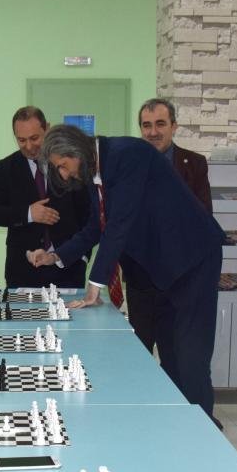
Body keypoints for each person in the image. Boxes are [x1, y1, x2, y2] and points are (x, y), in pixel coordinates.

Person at [29, 124, 224, 422]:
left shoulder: (128, 154)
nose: (65, 175)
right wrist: (56, 255)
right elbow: (96, 227)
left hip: (193, 259)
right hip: (163, 269)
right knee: (171, 357)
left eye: (64, 166)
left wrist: (95, 285)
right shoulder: (95, 173)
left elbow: (120, 222)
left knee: (191, 358)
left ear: (76, 151)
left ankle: (205, 432)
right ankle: (179, 426)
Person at [130, 98, 214, 354]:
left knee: (175, 357)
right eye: (146, 125)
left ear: (174, 126)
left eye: (160, 124)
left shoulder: (195, 164)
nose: (152, 132)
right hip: (141, 279)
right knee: (139, 356)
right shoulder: (129, 165)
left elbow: (203, 218)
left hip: (180, 281)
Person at [0, 106, 91, 288]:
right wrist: (28, 214)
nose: (29, 146)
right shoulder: (4, 168)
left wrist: (83, 256)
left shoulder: (69, 162)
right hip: (23, 271)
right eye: (21, 140)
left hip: (68, 268)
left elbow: (88, 214)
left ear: (47, 129)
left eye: (34, 138)